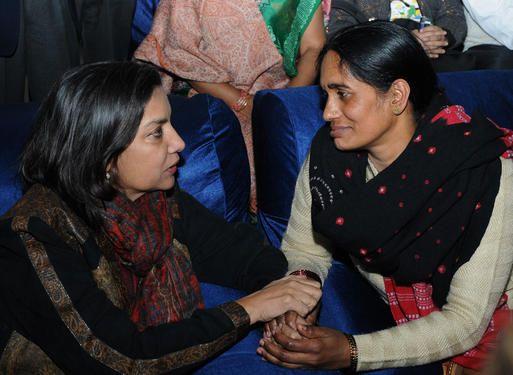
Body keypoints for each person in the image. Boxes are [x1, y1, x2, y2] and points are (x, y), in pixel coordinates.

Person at [0, 61, 322, 373]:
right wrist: (253, 308)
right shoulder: (33, 237)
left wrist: (290, 299)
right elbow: (118, 359)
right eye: (157, 133)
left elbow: (243, 255)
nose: (179, 143)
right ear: (103, 155)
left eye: (171, 123)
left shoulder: (154, 199)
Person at [258, 21, 513, 373]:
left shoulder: (482, 171)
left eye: (342, 94)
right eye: (325, 95)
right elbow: (305, 249)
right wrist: (298, 295)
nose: (328, 112)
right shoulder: (331, 158)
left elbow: (467, 321)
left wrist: (350, 351)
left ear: (396, 96)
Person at [134, 0, 327, 211]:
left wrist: (278, 107)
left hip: (284, 94)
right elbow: (178, 52)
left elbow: (313, 48)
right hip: (209, 103)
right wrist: (242, 102)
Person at [327, 0, 467, 68]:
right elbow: (340, 31)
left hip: (434, 55)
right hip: (378, 58)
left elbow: (454, 16)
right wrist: (401, 41)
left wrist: (441, 36)